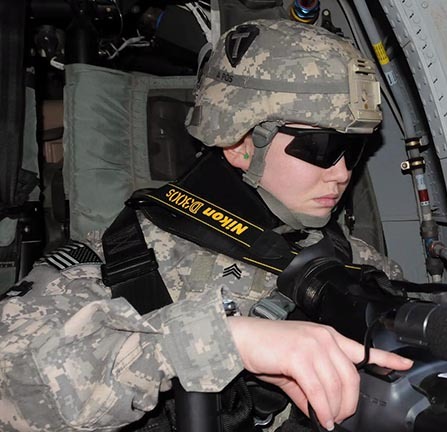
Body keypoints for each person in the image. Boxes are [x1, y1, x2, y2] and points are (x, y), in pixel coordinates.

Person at [0, 19, 412, 431]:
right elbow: (11, 385)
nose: (341, 173)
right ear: (241, 143)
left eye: (354, 149)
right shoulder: (117, 260)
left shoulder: (356, 260)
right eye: (323, 148)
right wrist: (218, 342)